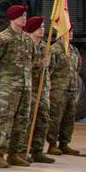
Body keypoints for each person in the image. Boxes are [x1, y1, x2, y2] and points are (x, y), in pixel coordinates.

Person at [0, 5, 35, 169]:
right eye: (21, 15)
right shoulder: (3, 38)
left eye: (25, 15)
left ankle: (15, 154)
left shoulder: (27, 39)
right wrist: (3, 78)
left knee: (22, 121)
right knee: (4, 120)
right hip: (8, 87)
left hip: (25, 87)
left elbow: (33, 61)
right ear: (13, 18)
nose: (24, 18)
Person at [24, 16, 56, 164]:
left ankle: (38, 150)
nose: (42, 30)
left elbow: (52, 68)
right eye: (39, 27)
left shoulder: (46, 47)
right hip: (28, 88)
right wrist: (37, 64)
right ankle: (23, 149)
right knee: (26, 121)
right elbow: (18, 65)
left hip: (42, 89)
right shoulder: (25, 44)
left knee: (43, 120)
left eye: (43, 27)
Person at [47, 26, 82, 156]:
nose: (71, 33)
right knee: (55, 118)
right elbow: (49, 70)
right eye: (69, 31)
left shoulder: (74, 50)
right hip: (57, 90)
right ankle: (52, 144)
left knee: (69, 117)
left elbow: (77, 68)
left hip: (71, 89)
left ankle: (64, 143)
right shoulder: (54, 50)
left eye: (72, 31)